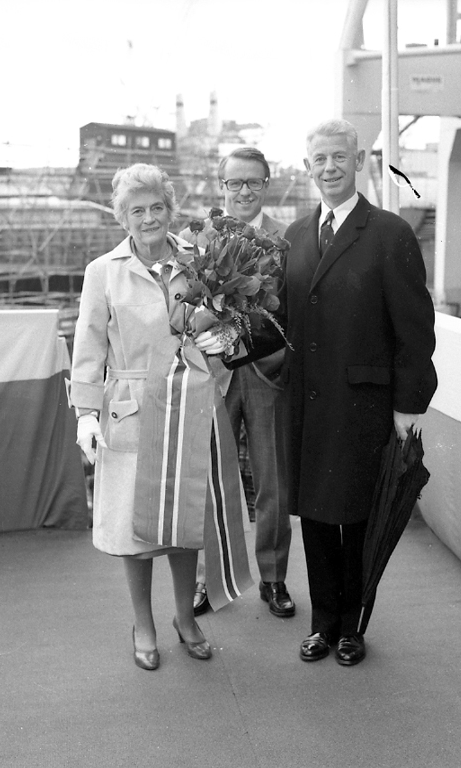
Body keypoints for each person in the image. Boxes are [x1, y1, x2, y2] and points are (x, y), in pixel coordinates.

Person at [238, 119, 437, 666]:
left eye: (339, 158)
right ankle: (322, 624)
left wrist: (408, 405)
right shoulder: (296, 236)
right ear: (308, 168)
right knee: (317, 516)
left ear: (360, 162)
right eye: (320, 159)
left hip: (363, 404)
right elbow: (279, 321)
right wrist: (229, 339)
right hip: (306, 402)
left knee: (359, 517)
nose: (329, 168)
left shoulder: (390, 233)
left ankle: (353, 626)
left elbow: (415, 329)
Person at [68, 163, 248, 671]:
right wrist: (85, 413)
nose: (148, 218)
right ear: (121, 217)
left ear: (171, 210)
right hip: (129, 411)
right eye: (137, 211)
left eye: (156, 208)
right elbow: (89, 345)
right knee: (134, 530)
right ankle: (143, 624)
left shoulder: (201, 262)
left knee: (183, 519)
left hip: (189, 404)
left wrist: (225, 339)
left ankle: (185, 618)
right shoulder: (102, 272)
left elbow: (229, 329)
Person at [179, 147, 295, 620]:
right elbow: (182, 307)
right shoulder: (195, 241)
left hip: (267, 374)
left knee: (273, 483)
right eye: (234, 183)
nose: (244, 191)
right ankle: (208, 579)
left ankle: (274, 578)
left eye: (253, 182)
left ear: (267, 184)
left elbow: (293, 313)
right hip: (214, 377)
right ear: (221, 186)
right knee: (208, 480)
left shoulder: (289, 240)